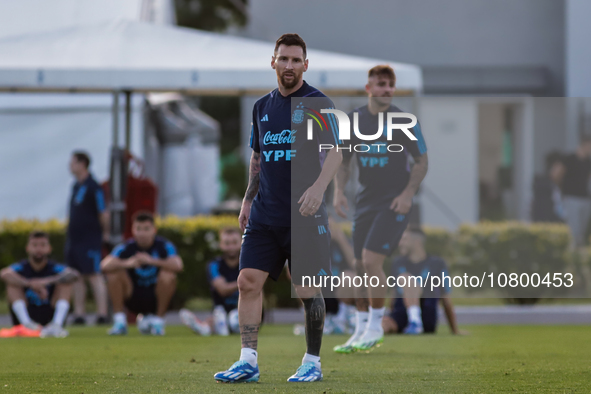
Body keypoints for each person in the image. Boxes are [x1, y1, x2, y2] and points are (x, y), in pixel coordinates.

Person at [214, 33, 342, 383]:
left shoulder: (317, 102)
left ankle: (312, 363)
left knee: (306, 289)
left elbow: (336, 151)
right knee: (247, 281)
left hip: (304, 215)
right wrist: (247, 199)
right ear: (273, 61)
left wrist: (319, 188)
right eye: (283, 59)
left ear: (305, 64)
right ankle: (248, 361)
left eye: (295, 60)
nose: (289, 66)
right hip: (265, 214)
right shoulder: (262, 107)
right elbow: (258, 158)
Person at [333, 65, 429, 353]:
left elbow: (422, 162)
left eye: (390, 85)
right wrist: (338, 191)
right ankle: (361, 327)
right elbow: (344, 160)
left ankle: (375, 326)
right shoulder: (354, 121)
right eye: (381, 84)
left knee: (372, 261)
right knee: (359, 265)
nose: (387, 89)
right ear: (369, 88)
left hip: (393, 203)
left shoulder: (404, 120)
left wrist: (408, 194)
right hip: (365, 202)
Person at [101, 212, 182, 336]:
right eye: (138, 229)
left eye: (146, 229)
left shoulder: (164, 245)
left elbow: (178, 265)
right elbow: (104, 265)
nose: (142, 233)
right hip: (133, 295)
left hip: (156, 295)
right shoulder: (126, 246)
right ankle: (120, 322)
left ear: (154, 230)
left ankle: (158, 322)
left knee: (168, 275)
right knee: (113, 273)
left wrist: (152, 261)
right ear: (133, 230)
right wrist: (127, 263)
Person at [381, 227, 464, 335]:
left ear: (417, 241)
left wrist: (455, 330)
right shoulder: (397, 262)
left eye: (404, 239)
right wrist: (389, 317)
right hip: (400, 316)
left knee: (406, 278)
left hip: (425, 315)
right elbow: (393, 296)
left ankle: (415, 321)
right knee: (379, 326)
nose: (400, 243)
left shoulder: (437, 263)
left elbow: (446, 298)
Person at [0, 231, 79, 338]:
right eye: (35, 245)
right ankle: (26, 325)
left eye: (42, 245)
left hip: (49, 313)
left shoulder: (54, 267)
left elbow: (74, 274)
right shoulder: (22, 267)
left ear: (49, 248)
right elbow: (4, 274)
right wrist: (30, 284)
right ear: (27, 248)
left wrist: (47, 281)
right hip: (28, 312)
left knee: (65, 283)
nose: (38, 249)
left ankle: (56, 325)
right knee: (12, 284)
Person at [66, 151, 110, 325]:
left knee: (94, 274)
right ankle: (79, 314)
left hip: (90, 238)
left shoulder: (94, 186)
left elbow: (103, 212)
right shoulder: (76, 185)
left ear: (82, 163)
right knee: (76, 275)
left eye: (73, 162)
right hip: (74, 239)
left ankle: (102, 313)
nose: (70, 165)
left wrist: (105, 233)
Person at [180, 227, 241, 336]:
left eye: (234, 242)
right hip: (220, 309)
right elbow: (222, 290)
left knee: (234, 320)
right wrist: (244, 281)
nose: (231, 246)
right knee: (219, 314)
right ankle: (207, 327)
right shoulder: (214, 264)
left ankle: (211, 326)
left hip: (242, 309)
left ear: (241, 242)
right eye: (227, 243)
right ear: (221, 245)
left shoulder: (247, 263)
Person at [561, 137, 591, 247]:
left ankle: (579, 254)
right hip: (571, 197)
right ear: (584, 145)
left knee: (582, 231)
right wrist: (562, 190)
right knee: (574, 230)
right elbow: (557, 174)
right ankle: (572, 253)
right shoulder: (570, 159)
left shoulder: (588, 161)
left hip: (585, 198)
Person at [531, 151, 566, 223]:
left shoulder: (558, 187)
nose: (563, 172)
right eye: (561, 168)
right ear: (553, 167)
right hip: (547, 225)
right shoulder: (542, 185)